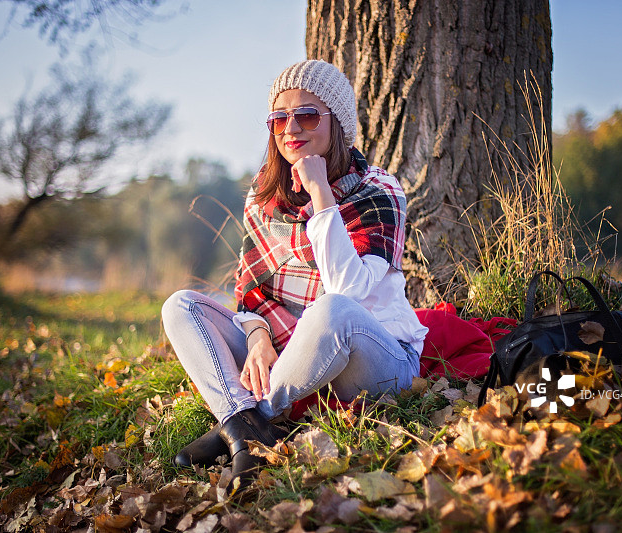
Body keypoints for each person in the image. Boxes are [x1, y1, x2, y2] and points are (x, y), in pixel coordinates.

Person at [161, 59, 428, 487]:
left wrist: (322, 194)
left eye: (306, 115)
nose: (291, 128)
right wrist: (258, 335)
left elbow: (348, 291)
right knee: (181, 306)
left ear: (337, 123)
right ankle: (240, 420)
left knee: (332, 309)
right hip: (293, 351)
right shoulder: (265, 190)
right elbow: (250, 291)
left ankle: (254, 421)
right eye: (279, 118)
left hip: (375, 360)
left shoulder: (379, 189)